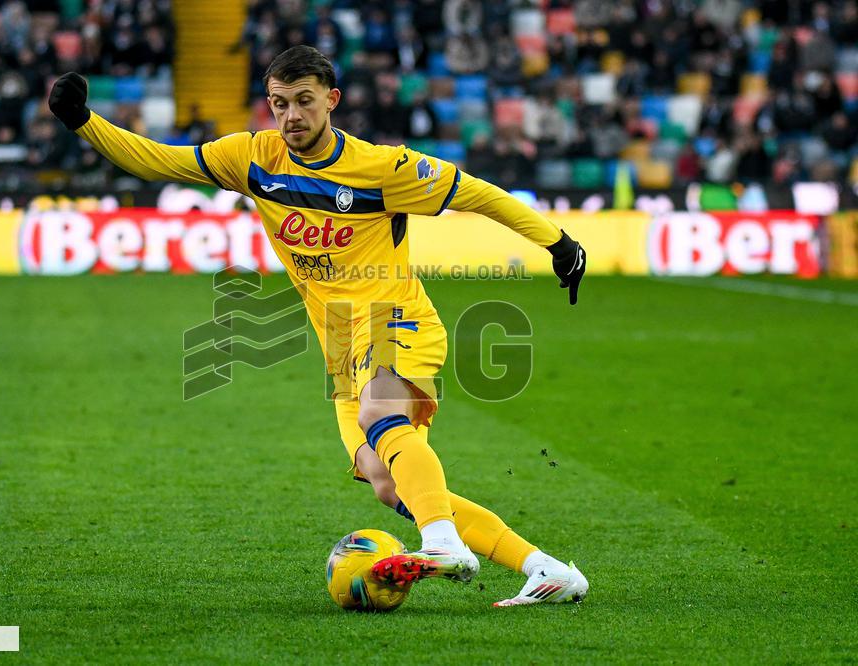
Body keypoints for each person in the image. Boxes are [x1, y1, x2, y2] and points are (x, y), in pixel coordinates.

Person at [48, 45, 588, 607]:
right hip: (339, 343)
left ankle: (443, 542)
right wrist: (84, 122)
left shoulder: (384, 168)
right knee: (386, 482)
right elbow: (159, 160)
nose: (291, 117)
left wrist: (558, 241)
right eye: (279, 104)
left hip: (395, 319)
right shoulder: (252, 157)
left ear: (331, 101)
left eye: (304, 102)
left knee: (381, 414)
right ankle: (545, 569)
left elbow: (480, 194)